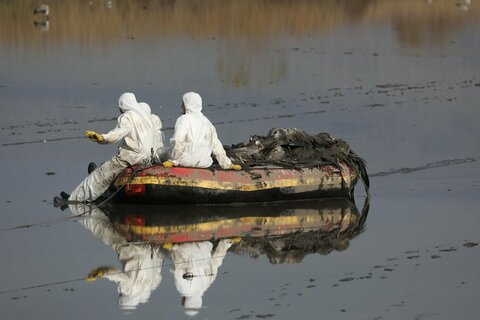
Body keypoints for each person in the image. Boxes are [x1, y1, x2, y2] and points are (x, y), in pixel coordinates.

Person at [66, 92, 163, 202]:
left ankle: (74, 199)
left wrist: (102, 138)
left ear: (123, 105)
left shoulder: (128, 117)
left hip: (131, 156)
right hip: (148, 159)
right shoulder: (146, 118)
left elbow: (118, 133)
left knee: (100, 175)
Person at [162, 92, 241, 170]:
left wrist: (173, 161)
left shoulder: (183, 119)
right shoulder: (207, 122)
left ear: (186, 105)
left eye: (182, 104)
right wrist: (227, 164)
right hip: (204, 163)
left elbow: (178, 141)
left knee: (164, 153)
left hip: (185, 161)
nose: (181, 106)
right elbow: (216, 145)